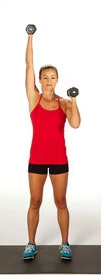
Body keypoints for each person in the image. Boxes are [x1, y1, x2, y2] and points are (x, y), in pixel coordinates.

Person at [23, 28, 81, 260]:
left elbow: (75, 124)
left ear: (58, 80)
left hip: (59, 160)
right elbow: (28, 65)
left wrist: (74, 101)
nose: (48, 81)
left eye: (52, 78)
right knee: (35, 201)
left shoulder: (65, 103)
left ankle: (64, 244)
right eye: (44, 78)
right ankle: (30, 244)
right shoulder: (34, 98)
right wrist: (29, 37)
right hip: (36, 159)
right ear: (39, 80)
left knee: (60, 201)